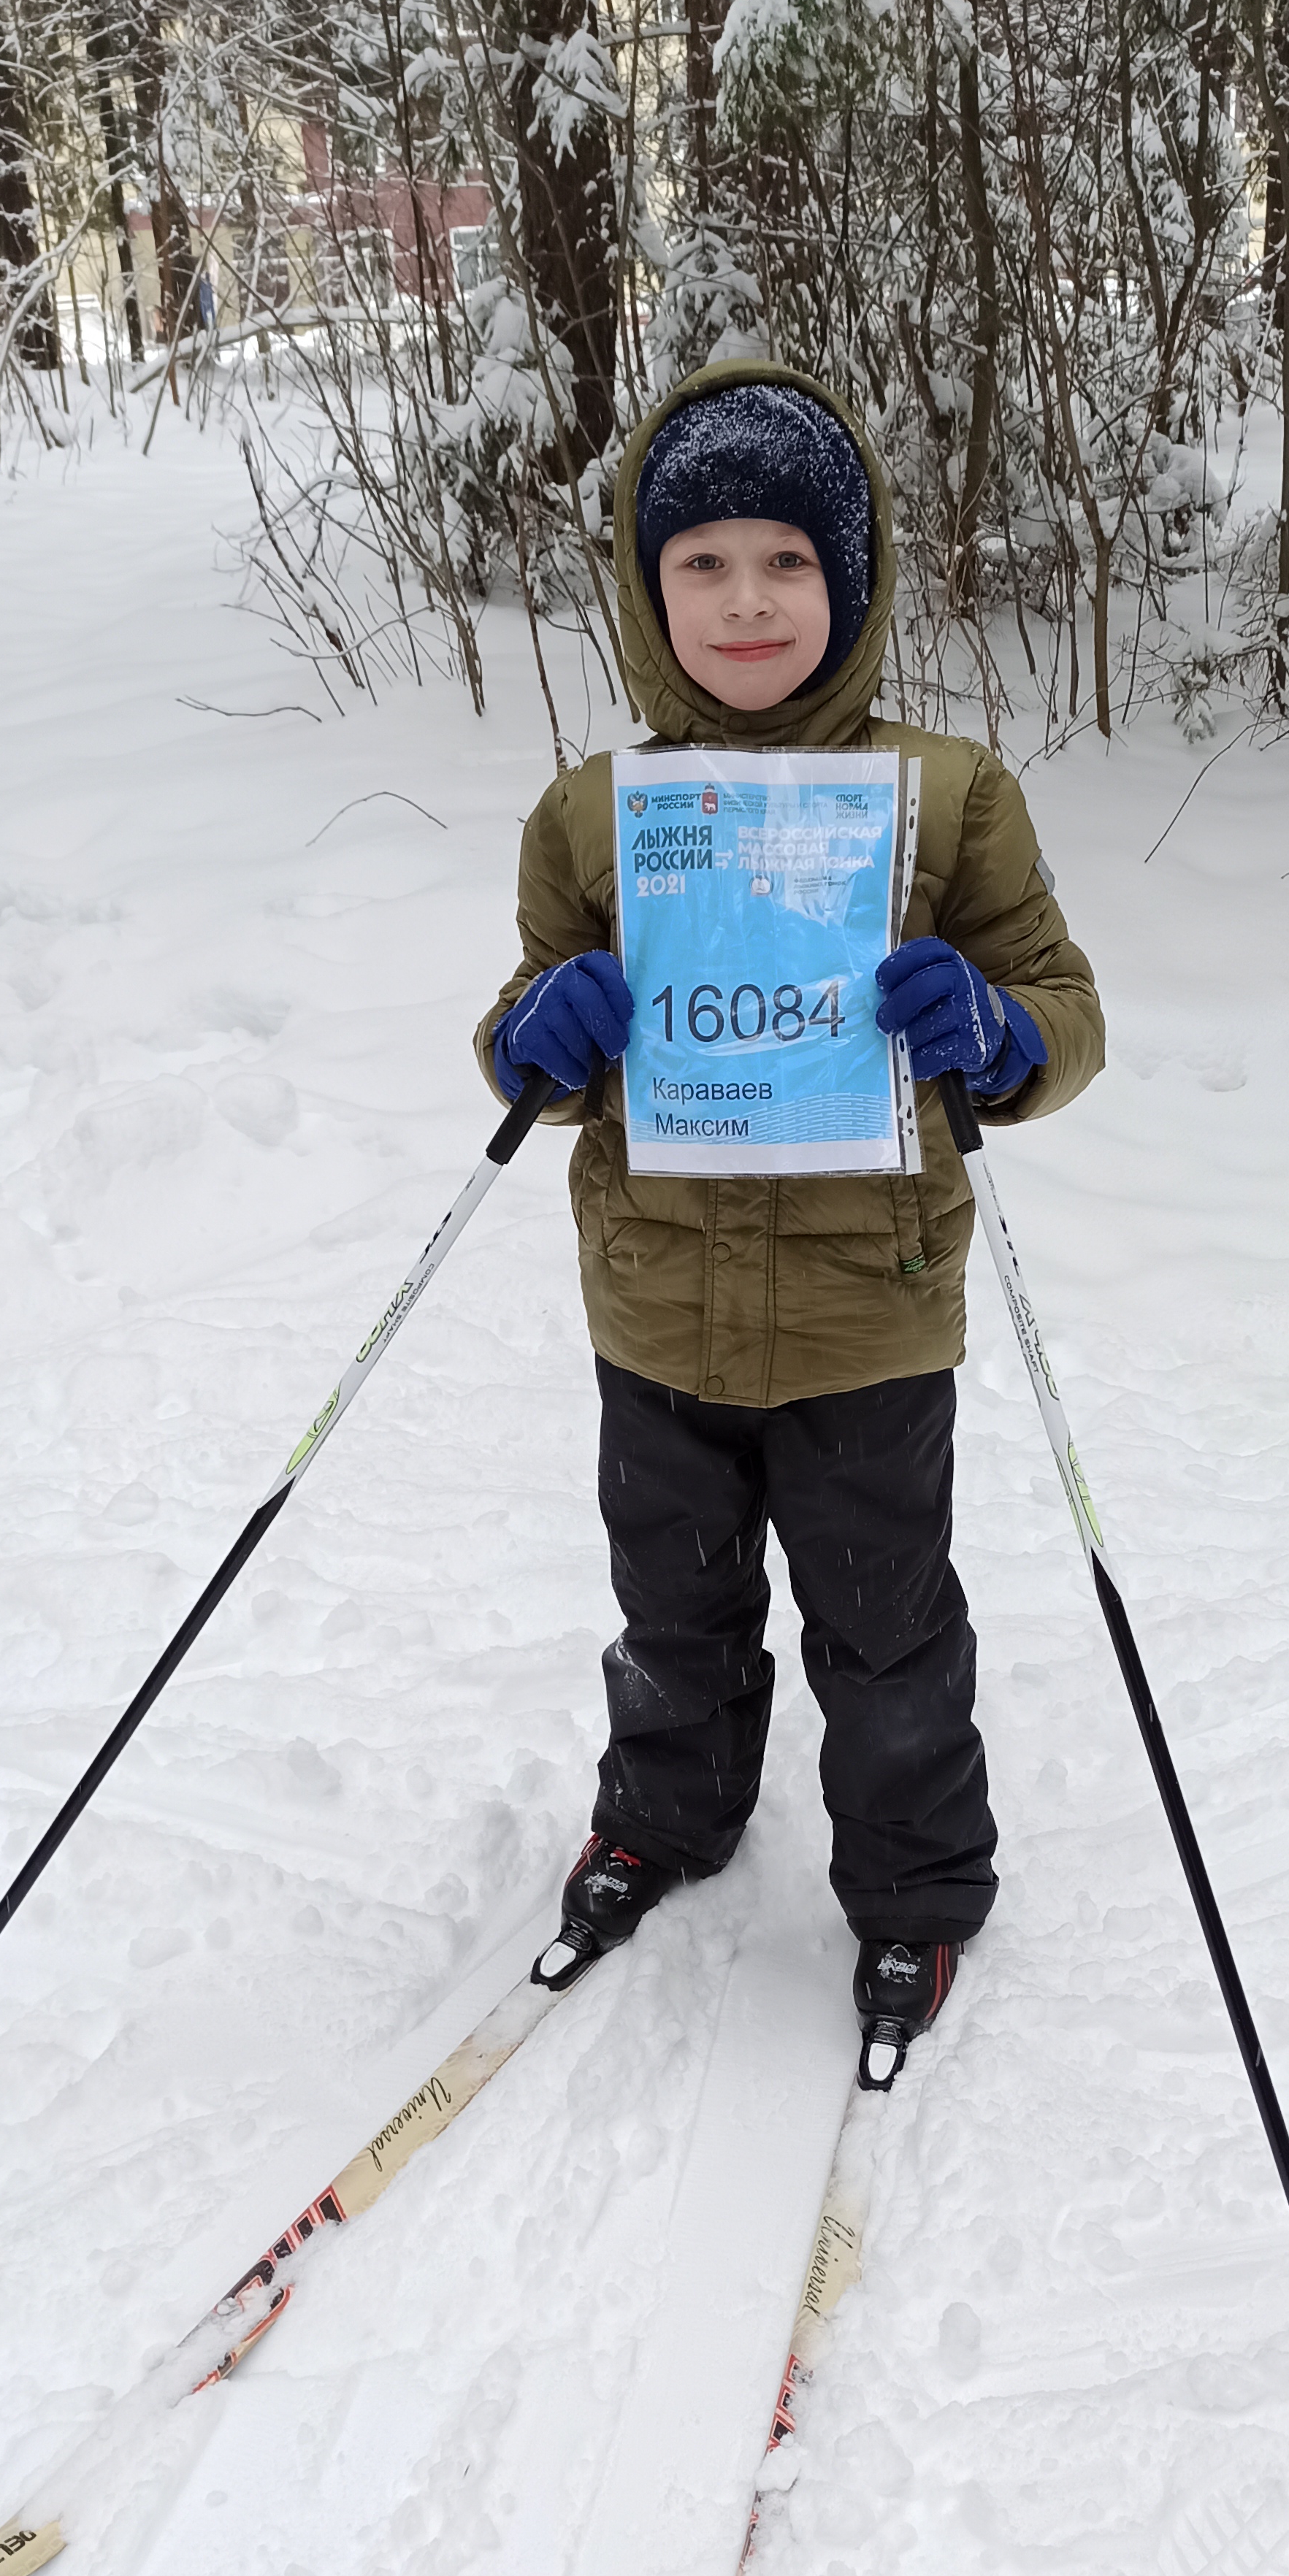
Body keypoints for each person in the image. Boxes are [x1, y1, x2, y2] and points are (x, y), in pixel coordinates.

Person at [476, 362, 1103, 2063]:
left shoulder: (944, 797)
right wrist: (538, 1038)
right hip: (654, 1310)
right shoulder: (592, 814)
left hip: (865, 1312)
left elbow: (1064, 1009)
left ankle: (913, 1887)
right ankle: (663, 1815)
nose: (745, 600)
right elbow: (526, 1030)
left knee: (884, 1626)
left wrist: (994, 1028)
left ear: (852, 581)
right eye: (701, 563)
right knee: (671, 1609)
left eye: (785, 561)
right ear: (645, 589)